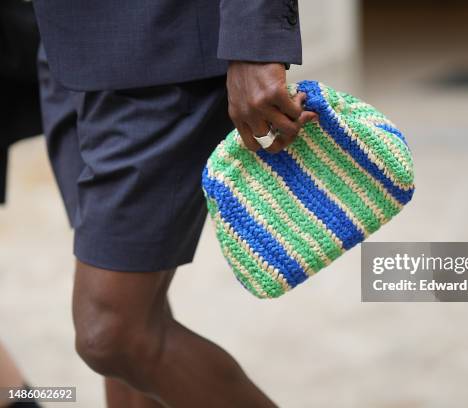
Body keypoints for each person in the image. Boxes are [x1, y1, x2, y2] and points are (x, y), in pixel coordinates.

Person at [32, 0, 316, 406]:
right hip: (67, 43)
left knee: (110, 332)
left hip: (164, 47)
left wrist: (256, 42)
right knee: (134, 305)